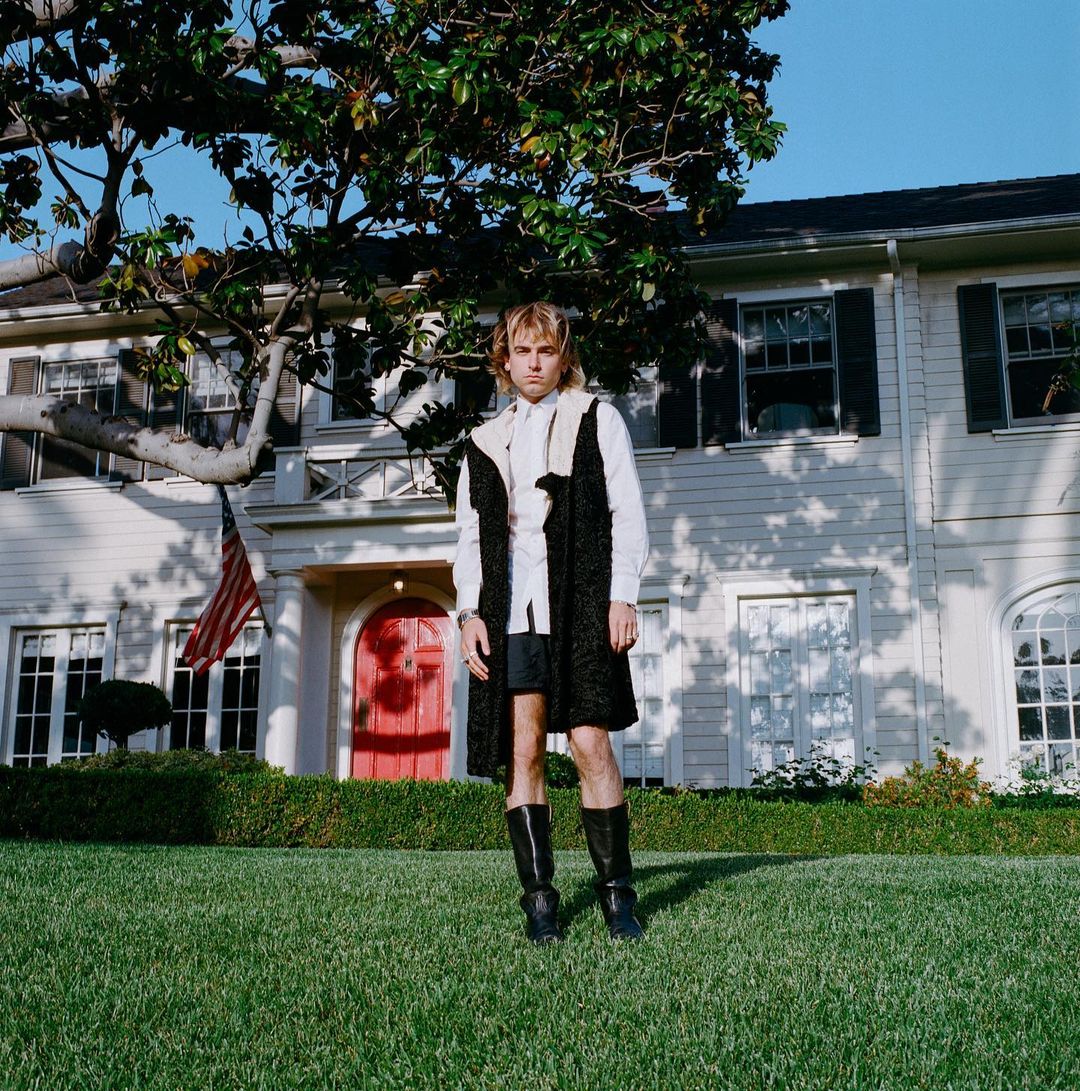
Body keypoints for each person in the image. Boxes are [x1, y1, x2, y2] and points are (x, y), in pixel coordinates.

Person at [453, 301, 649, 944]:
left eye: (546, 350)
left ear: (563, 358)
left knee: (591, 742)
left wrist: (622, 596)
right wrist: (469, 613)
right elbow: (469, 538)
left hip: (583, 602)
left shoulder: (598, 419)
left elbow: (627, 513)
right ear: (504, 362)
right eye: (522, 351)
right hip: (511, 611)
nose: (533, 363)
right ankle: (540, 902)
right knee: (524, 749)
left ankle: (617, 897)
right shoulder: (484, 444)